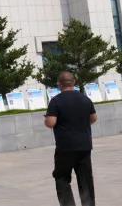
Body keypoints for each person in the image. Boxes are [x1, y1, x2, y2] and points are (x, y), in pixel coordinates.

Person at [45, 71, 97, 206]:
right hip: (84, 146)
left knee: (61, 177)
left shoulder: (56, 101)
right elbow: (93, 118)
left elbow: (51, 122)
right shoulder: (85, 99)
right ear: (74, 82)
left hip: (65, 147)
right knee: (85, 180)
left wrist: (46, 119)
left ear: (59, 84)